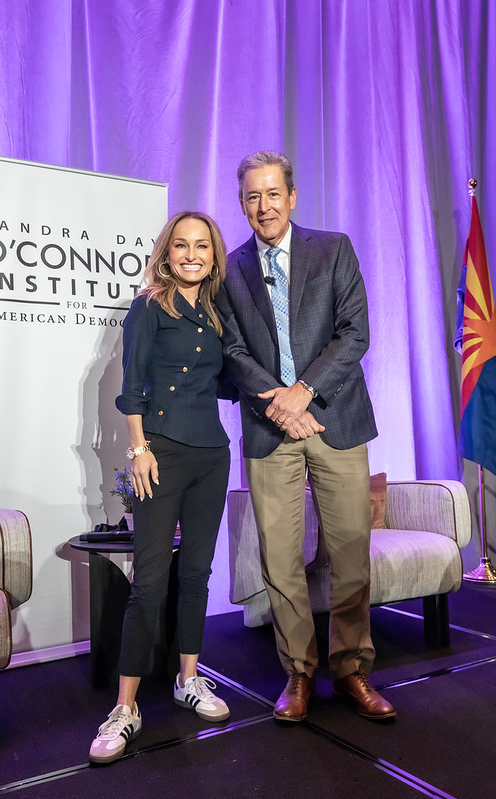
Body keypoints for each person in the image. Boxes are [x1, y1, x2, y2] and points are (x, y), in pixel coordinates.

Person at [215, 151, 395, 723]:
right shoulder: (229, 268)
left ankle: (351, 670)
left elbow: (355, 332)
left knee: (350, 553)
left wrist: (305, 392)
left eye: (272, 194)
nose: (263, 206)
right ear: (241, 204)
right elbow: (232, 351)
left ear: (292, 196)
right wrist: (281, 403)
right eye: (252, 197)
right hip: (271, 430)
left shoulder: (334, 248)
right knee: (280, 561)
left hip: (336, 420)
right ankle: (298, 673)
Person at [89, 211, 232, 764]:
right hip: (162, 453)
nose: (191, 254)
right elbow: (131, 386)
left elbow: (226, 381)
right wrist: (139, 449)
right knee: (149, 581)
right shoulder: (150, 304)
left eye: (202, 246)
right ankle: (125, 707)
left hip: (211, 455)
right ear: (167, 252)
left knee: (195, 573)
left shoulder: (220, 314)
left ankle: (188, 680)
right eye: (181, 245)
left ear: (213, 254)